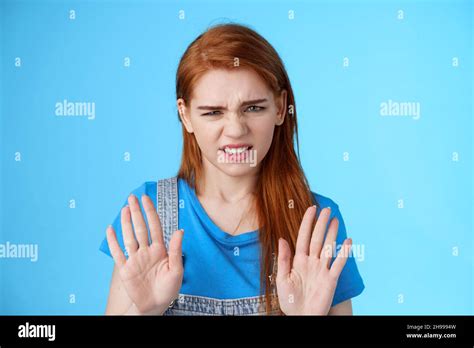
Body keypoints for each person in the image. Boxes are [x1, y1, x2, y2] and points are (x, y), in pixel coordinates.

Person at [99, 23, 365, 315]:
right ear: (185, 116)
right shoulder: (148, 213)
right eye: (213, 112)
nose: (236, 130)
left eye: (253, 108)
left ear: (280, 108)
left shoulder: (316, 224)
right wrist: (145, 310)